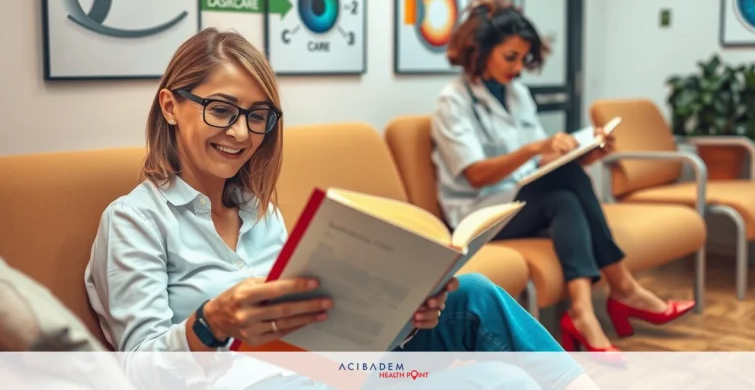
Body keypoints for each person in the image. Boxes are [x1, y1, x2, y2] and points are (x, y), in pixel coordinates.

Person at [84, 27, 596, 390]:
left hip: (328, 369)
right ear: (171, 106)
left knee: (474, 295)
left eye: (257, 116)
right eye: (221, 110)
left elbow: (321, 326)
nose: (240, 133)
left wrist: (403, 317)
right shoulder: (135, 220)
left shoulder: (261, 213)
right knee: (499, 379)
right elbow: (140, 372)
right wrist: (210, 323)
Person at [430, 0, 695, 358]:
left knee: (565, 197)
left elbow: (540, 164)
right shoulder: (453, 101)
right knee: (565, 189)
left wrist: (585, 154)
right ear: (479, 51)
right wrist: (533, 149)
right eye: (510, 57)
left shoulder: (518, 94)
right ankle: (622, 288)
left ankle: (583, 312)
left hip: (520, 200)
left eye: (523, 59)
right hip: (477, 214)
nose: (518, 68)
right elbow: (475, 174)